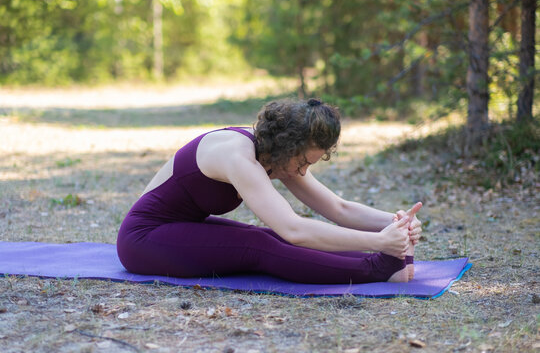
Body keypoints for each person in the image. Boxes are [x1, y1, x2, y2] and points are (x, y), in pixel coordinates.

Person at [117, 98, 422, 284]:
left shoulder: (276, 154)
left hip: (180, 227)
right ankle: (380, 270)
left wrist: (394, 222)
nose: (304, 172)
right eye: (303, 162)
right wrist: (379, 243)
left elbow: (337, 208)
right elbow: (295, 230)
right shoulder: (238, 156)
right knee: (257, 245)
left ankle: (384, 263)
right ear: (289, 146)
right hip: (143, 240)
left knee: (264, 237)